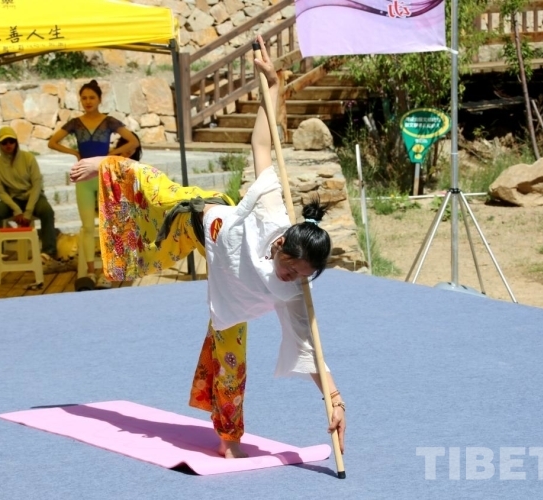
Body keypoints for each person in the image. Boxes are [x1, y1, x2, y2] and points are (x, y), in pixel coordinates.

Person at [69, 36, 346, 459]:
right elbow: (261, 145)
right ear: (281, 244)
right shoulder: (271, 209)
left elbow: (311, 350)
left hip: (232, 298)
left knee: (231, 363)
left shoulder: (295, 292)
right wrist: (272, 86)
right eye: (290, 267)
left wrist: (335, 400)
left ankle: (228, 440)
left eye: (301, 276)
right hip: (199, 223)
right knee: (156, 195)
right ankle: (109, 164)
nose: (291, 277)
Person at [48, 80, 140, 289]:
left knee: (110, 225)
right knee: (88, 227)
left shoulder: (109, 122)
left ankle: (108, 272)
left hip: (105, 177)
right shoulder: (75, 123)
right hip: (84, 179)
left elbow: (133, 141)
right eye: (84, 98)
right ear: (80, 100)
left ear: (99, 99)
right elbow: (52, 142)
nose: (88, 101)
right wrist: (74, 152)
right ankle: (90, 272)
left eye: (92, 97)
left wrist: (112, 153)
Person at [0, 127, 57, 263]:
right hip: (13, 199)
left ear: (16, 142)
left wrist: (28, 211)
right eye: (4, 142)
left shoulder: (28, 158)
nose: (8, 145)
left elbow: (36, 184)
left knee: (47, 211)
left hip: (33, 197)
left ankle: (49, 251)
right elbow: (0, 191)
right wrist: (17, 210)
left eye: (11, 141)